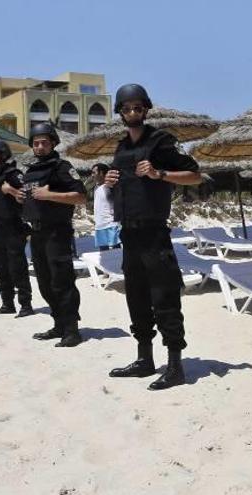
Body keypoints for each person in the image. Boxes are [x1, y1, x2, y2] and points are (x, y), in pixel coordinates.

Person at [105, 83, 202, 390]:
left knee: (165, 298)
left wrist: (160, 174)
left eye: (137, 107)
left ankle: (175, 367)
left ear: (145, 109)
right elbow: (119, 189)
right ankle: (145, 359)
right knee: (136, 297)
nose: (132, 112)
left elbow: (195, 175)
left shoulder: (161, 142)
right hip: (128, 235)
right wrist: (108, 181)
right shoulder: (121, 149)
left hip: (154, 233)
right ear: (120, 112)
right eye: (126, 108)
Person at [6, 122, 85, 347]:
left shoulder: (62, 167)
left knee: (62, 281)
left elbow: (80, 196)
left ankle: (72, 329)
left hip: (57, 232)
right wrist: (22, 198)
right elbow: (33, 197)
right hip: (37, 232)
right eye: (36, 143)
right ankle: (58, 323)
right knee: (45, 283)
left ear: (53, 144)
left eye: (44, 143)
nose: (39, 147)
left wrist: (49, 196)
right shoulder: (30, 171)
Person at [0, 139, 34, 317]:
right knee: (1, 267)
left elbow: (27, 195)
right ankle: (7, 303)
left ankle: (26, 305)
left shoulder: (13, 174)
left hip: (13, 226)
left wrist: (10, 191)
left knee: (17, 266)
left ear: (4, 154)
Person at [91, 163, 121, 251]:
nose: (92, 175)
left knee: (116, 251)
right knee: (104, 252)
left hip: (110, 223)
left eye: (94, 172)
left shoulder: (110, 186)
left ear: (101, 173)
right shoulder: (96, 188)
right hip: (99, 225)